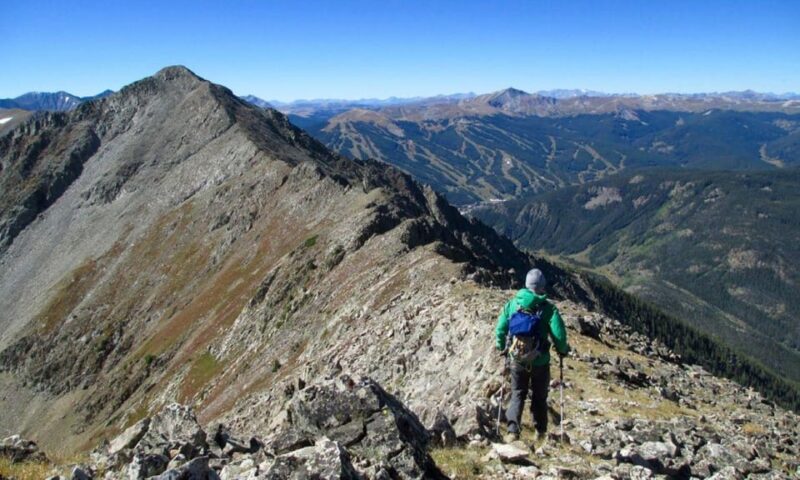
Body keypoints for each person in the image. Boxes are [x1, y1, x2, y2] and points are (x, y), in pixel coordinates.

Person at [494, 268, 569, 444]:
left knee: (517, 393)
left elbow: (500, 329)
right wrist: (562, 350)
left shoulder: (513, 304)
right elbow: (559, 334)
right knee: (539, 397)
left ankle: (512, 431)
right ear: (542, 286)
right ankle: (540, 432)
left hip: (517, 359)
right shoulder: (548, 308)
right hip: (540, 361)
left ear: (526, 284)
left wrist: (501, 346)